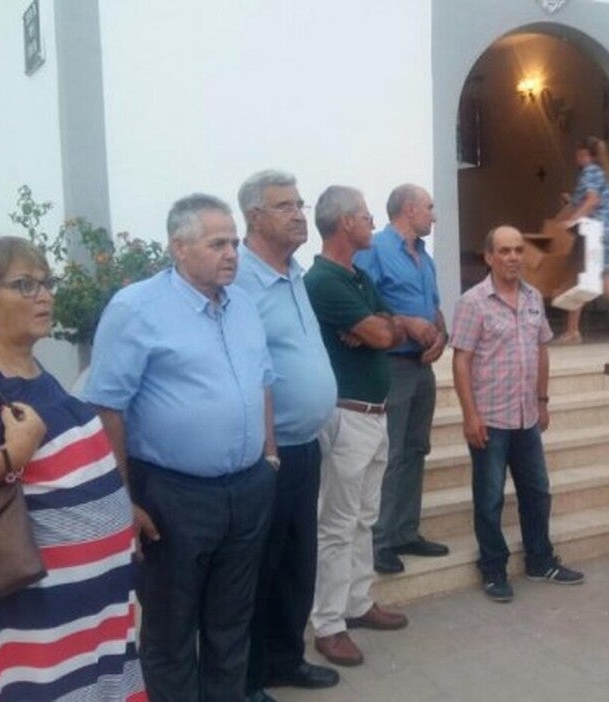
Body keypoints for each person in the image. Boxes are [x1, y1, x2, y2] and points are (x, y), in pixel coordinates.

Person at [84, 194, 277, 701]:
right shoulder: (136, 309)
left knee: (231, 623)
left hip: (247, 489)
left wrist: (270, 458)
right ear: (179, 247)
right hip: (173, 495)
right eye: (218, 243)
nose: (232, 253)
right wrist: (123, 498)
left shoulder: (244, 306)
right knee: (170, 630)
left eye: (234, 242)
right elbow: (107, 406)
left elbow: (263, 382)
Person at [0, 236, 144, 700]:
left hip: (79, 627)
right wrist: (12, 455)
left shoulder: (30, 369)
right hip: (21, 634)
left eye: (46, 282)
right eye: (25, 285)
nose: (45, 294)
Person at [233, 170, 339, 701]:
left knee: (298, 561)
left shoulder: (294, 271)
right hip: (266, 454)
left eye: (300, 203)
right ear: (254, 217)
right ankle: (249, 680)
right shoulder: (241, 280)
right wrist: (268, 448)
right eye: (284, 206)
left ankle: (286, 659)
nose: (300, 213)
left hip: (306, 444)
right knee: (260, 569)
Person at [305, 186, 410, 668]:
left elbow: (385, 325)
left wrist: (380, 328)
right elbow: (384, 332)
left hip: (375, 412)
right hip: (347, 416)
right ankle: (328, 624)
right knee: (338, 523)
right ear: (346, 222)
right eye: (367, 217)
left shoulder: (357, 276)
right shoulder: (324, 280)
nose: (373, 224)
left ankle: (357, 601)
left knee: (364, 516)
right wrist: (379, 329)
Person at [452, 225, 585, 602]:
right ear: (489, 257)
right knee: (490, 498)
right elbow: (461, 362)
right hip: (490, 419)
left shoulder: (532, 298)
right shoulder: (473, 302)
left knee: (537, 492)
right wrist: (470, 415)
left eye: (517, 250)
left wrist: (542, 401)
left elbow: (542, 349)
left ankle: (540, 560)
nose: (512, 257)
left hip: (527, 416)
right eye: (504, 251)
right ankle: (493, 570)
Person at [355, 184, 450, 575]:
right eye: (429, 207)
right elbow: (361, 304)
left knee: (415, 449)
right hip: (390, 366)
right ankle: (381, 541)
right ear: (409, 209)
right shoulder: (374, 249)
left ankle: (406, 531)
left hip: (422, 366)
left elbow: (435, 307)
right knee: (390, 455)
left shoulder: (425, 257)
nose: (434, 214)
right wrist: (405, 323)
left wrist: (441, 337)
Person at [557, 136, 609, 345]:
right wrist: (571, 202)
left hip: (596, 233)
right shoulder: (603, 174)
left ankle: (572, 332)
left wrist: (572, 221)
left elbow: (592, 200)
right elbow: (593, 199)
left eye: (578, 153)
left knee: (581, 280)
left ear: (584, 154)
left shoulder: (590, 172)